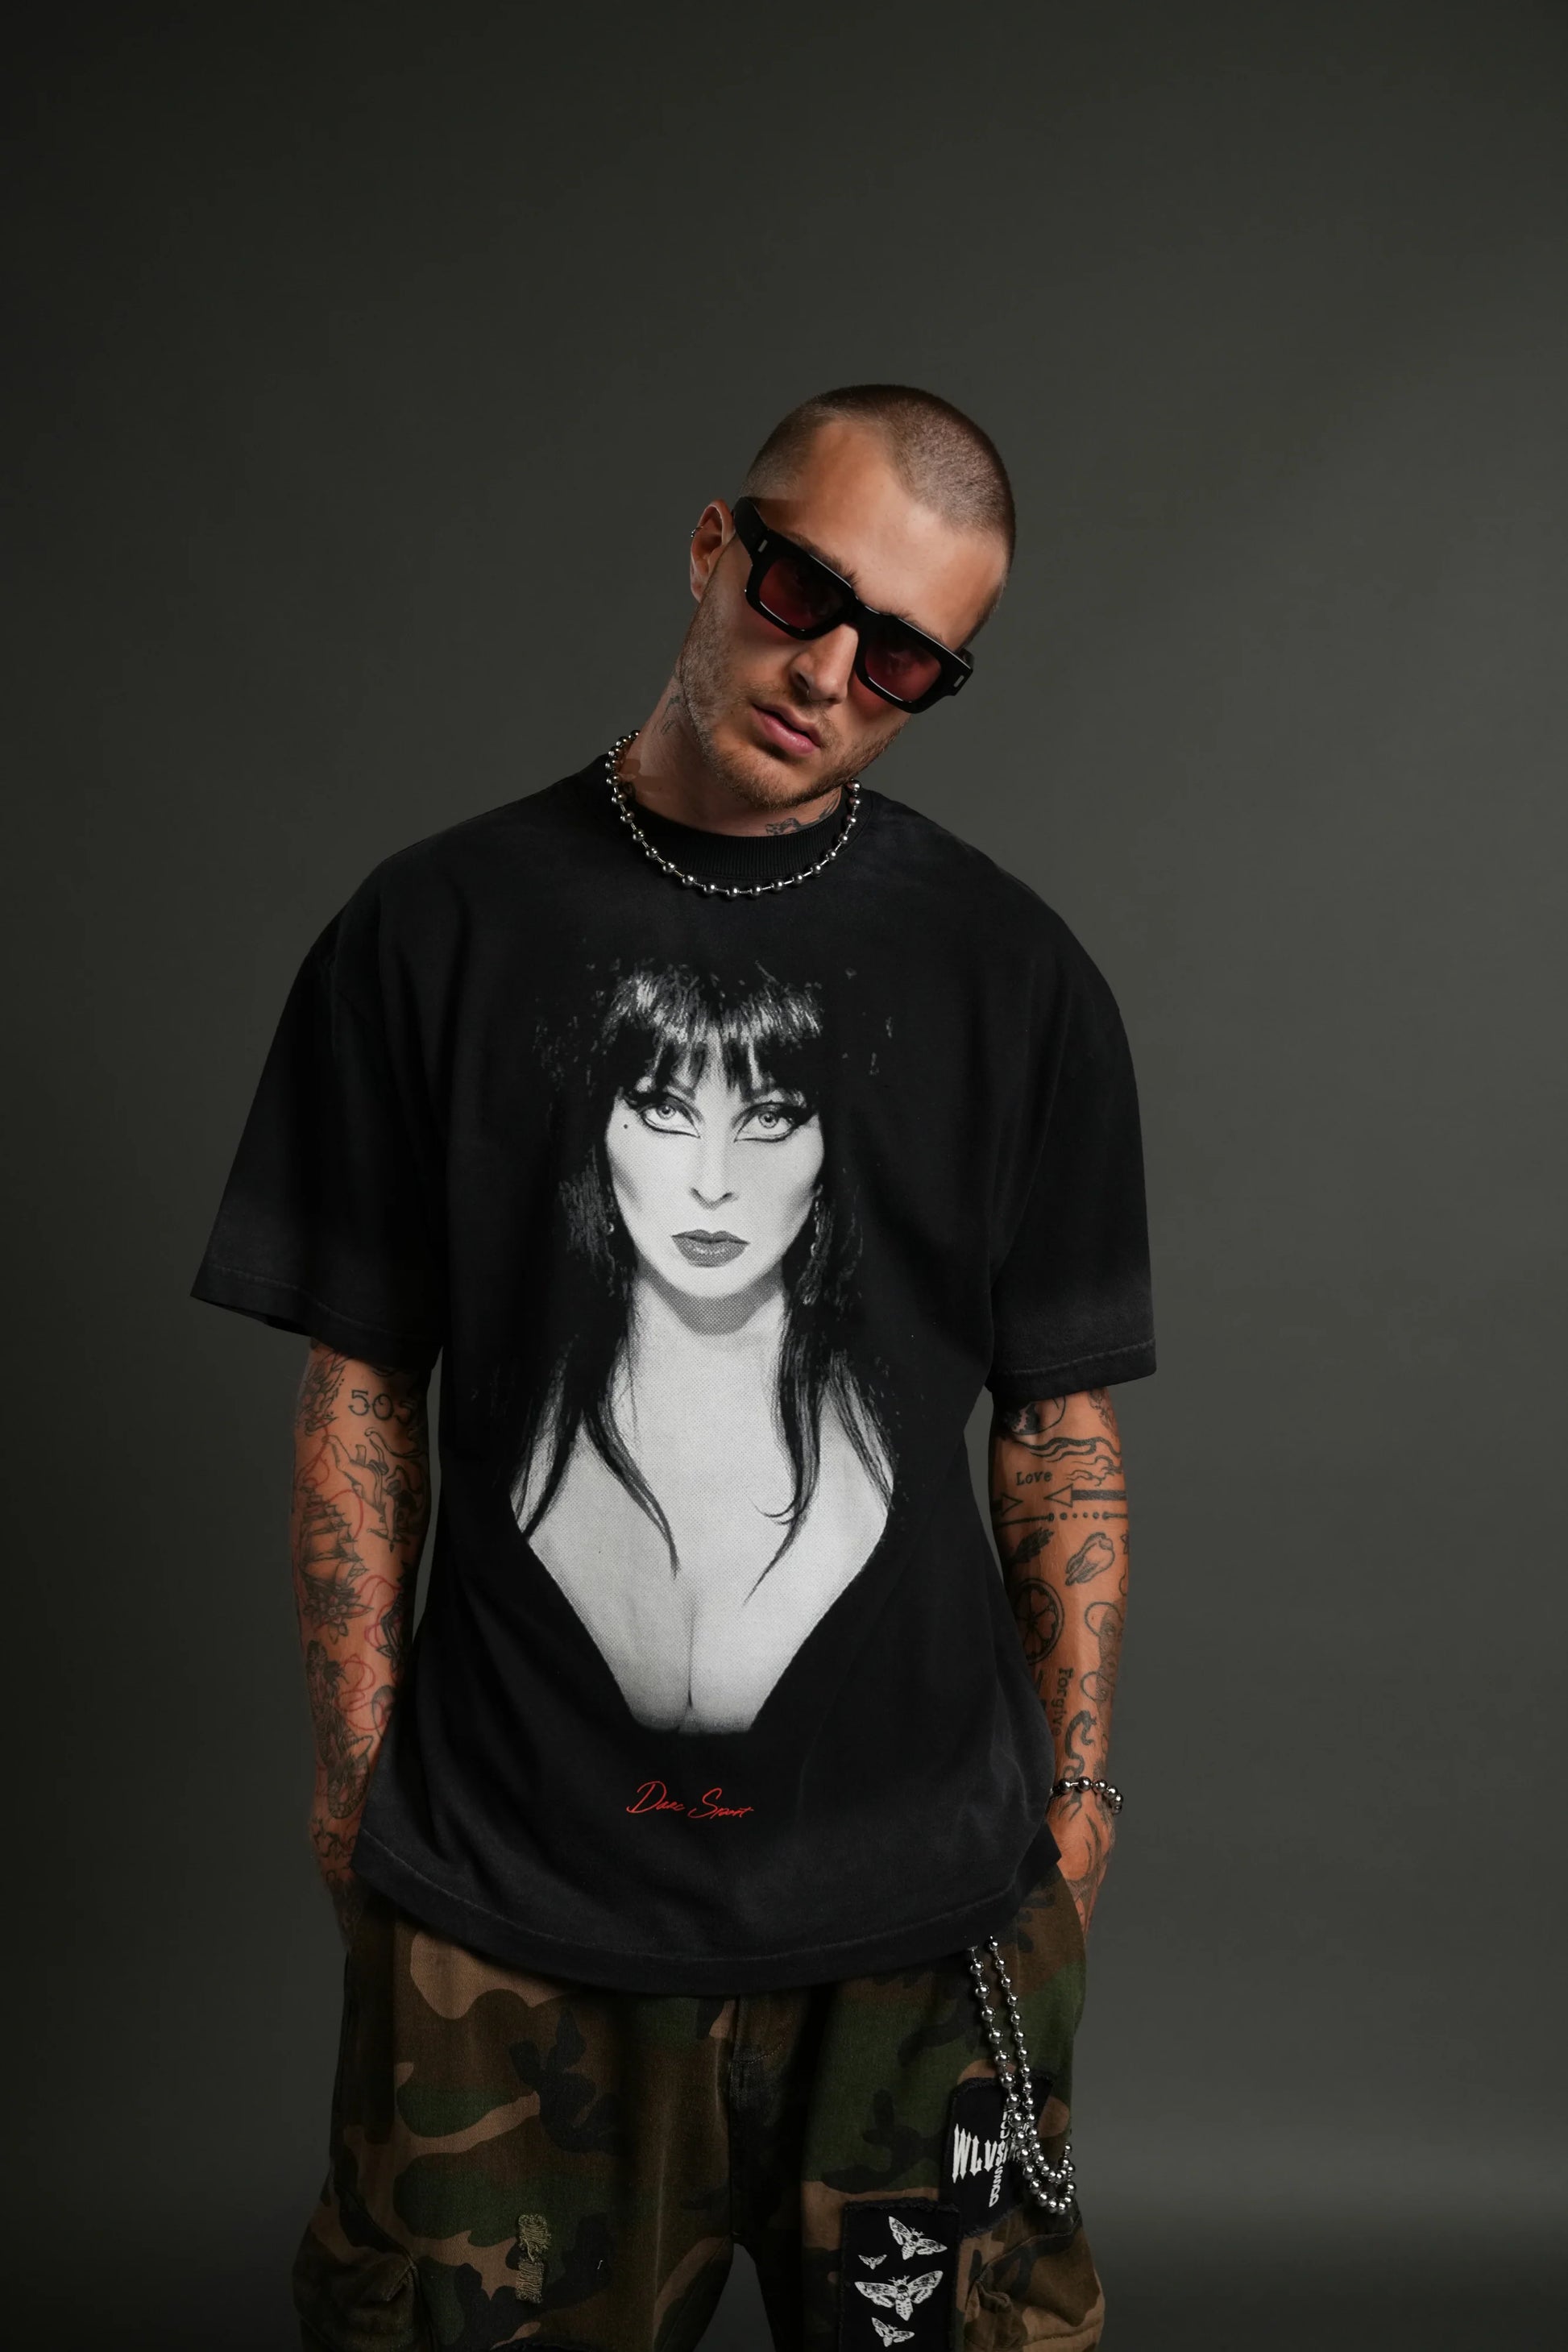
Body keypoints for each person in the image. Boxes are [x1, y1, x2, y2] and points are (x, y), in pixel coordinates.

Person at [193, 383, 1155, 2352]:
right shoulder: (432, 930)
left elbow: (1057, 1425)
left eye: (906, 657)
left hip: (926, 1922)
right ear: (716, 542)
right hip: (510, 1908)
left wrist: (1070, 1802)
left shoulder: (1014, 973)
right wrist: (358, 1786)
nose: (831, 673)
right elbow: (363, 1386)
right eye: (806, 592)